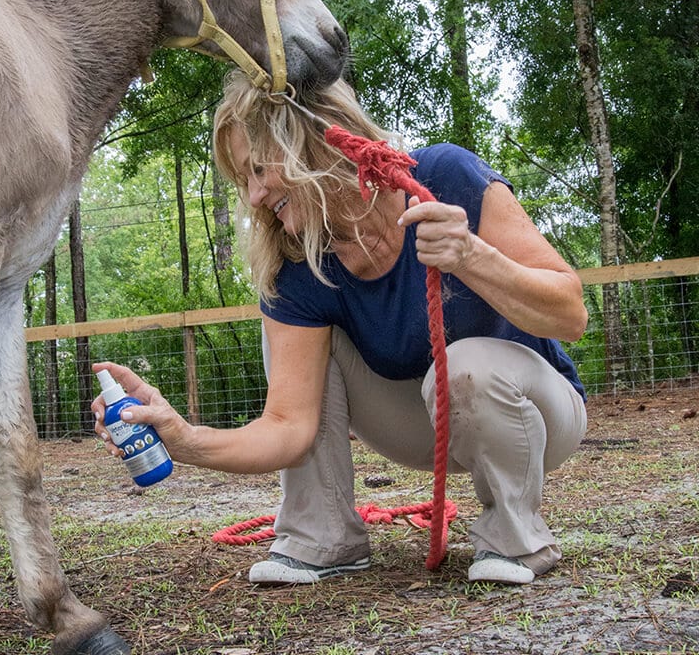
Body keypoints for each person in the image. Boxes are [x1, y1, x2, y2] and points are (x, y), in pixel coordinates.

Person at [92, 69, 588, 587]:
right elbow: (288, 426)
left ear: (313, 140)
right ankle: (321, 537)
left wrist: (472, 256)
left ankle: (516, 537)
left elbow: (570, 315)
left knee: (467, 366)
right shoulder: (296, 267)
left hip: (536, 416)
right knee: (300, 343)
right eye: (245, 181)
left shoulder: (446, 176)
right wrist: (184, 439)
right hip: (422, 423)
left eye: (259, 168)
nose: (255, 196)